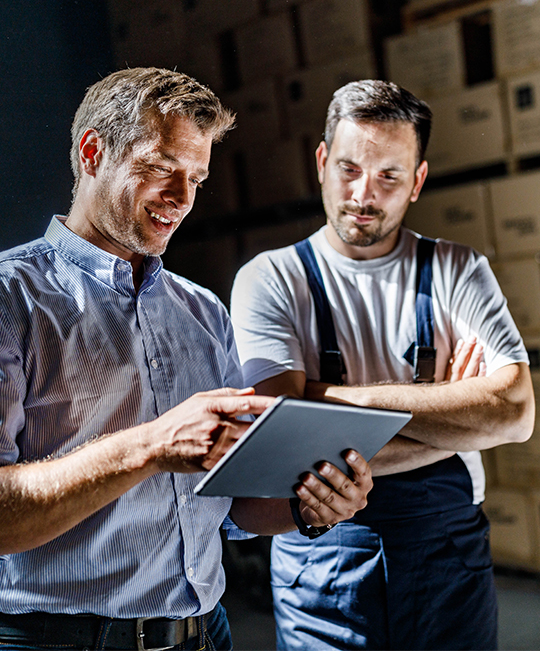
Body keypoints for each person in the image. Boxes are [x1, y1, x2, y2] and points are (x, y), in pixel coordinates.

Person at [0, 67, 373, 651]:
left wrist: (310, 506)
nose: (181, 199)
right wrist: (150, 446)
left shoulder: (202, 312)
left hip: (204, 635)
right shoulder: (11, 297)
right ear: (93, 152)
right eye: (160, 168)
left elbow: (233, 510)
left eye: (196, 179)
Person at [231, 79, 535, 651]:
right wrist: (454, 417)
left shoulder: (458, 271)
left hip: (449, 561)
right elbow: (277, 440)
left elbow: (515, 415)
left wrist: (330, 398)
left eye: (389, 176)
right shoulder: (269, 280)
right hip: (322, 567)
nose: (364, 194)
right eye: (348, 168)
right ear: (322, 162)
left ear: (417, 181)